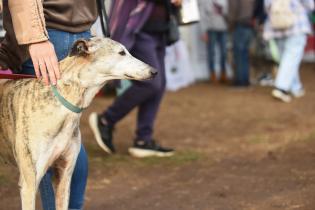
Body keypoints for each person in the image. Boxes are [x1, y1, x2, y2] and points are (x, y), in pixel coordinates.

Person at [0, 0, 97, 209]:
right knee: (66, 136)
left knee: (45, 141)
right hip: (75, 29)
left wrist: (36, 38)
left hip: (44, 34)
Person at [89, 0, 181, 158]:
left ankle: (143, 141)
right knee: (150, 84)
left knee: (159, 85)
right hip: (138, 29)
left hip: (160, 30)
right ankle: (105, 120)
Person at [263, 0, 314, 103]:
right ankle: (281, 88)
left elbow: (267, 6)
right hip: (296, 25)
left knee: (287, 60)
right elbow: (310, 5)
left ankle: (296, 88)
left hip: (275, 27)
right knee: (290, 59)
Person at [199, 0, 228, 83]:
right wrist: (203, 31)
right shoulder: (205, 2)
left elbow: (227, 12)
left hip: (223, 28)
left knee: (224, 52)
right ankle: (212, 74)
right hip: (211, 29)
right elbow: (202, 16)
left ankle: (223, 73)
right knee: (211, 53)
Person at [228, 0, 256, 87]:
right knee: (245, 54)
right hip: (250, 25)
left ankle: (240, 81)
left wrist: (230, 25)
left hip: (240, 25)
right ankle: (245, 80)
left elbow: (233, 11)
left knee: (239, 54)